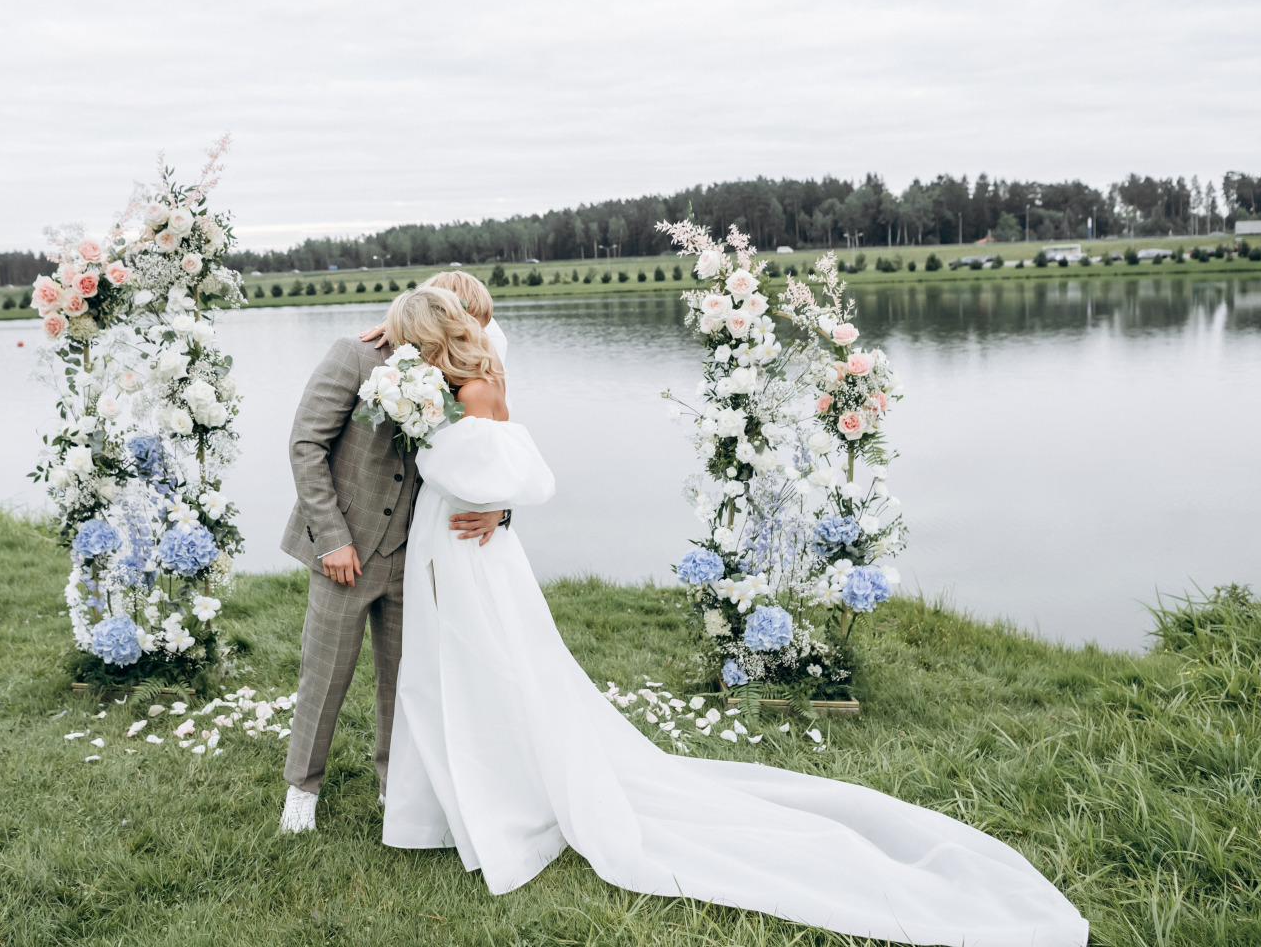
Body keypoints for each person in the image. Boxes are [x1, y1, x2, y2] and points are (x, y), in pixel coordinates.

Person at [377, 289, 1090, 946]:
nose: (396, 356)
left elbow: (490, 472)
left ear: (425, 341)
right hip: (465, 543)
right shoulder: (467, 381)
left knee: (483, 662)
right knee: (464, 663)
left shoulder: (471, 390)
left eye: (404, 342)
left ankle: (501, 797)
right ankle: (452, 800)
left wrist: (430, 436)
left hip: (466, 546)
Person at [277, 297, 506, 833]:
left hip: (420, 549)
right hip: (347, 551)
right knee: (325, 672)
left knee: (405, 679)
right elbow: (306, 445)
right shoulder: (352, 357)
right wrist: (332, 540)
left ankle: (394, 787)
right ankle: (302, 790)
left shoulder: (457, 368)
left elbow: (494, 444)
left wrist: (499, 504)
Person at [360, 269, 508, 364]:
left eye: (480, 332)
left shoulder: (491, 348)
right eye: (459, 337)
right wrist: (402, 325)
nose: (471, 345)